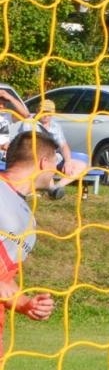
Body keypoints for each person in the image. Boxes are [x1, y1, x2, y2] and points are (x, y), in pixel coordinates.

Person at [0, 129, 62, 348]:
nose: (57, 170)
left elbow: (4, 280)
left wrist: (25, 304)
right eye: (56, 162)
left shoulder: (28, 219)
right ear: (45, 162)